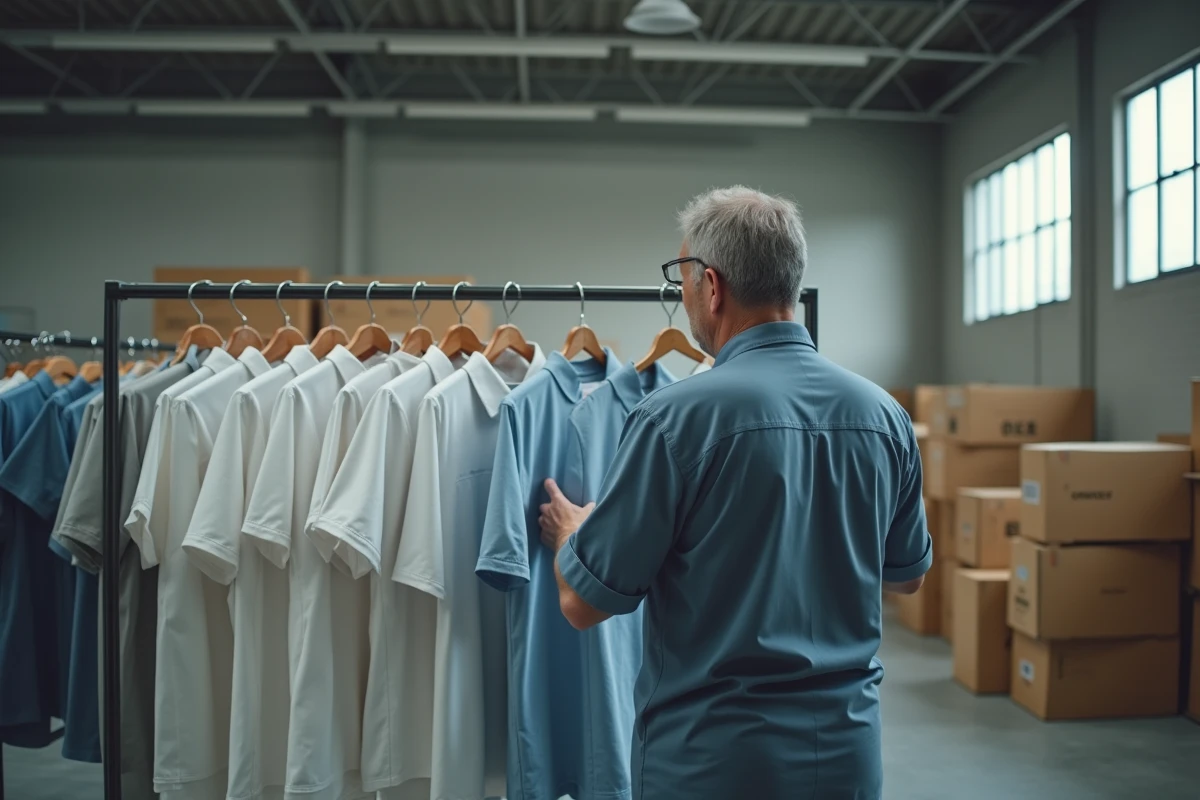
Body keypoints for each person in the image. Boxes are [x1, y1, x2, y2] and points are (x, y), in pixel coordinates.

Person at [537, 186, 931, 799]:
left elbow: (585, 604)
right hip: (848, 758)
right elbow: (906, 577)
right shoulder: (884, 415)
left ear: (712, 286)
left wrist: (572, 535)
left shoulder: (674, 420)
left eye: (682, 277)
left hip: (712, 763)